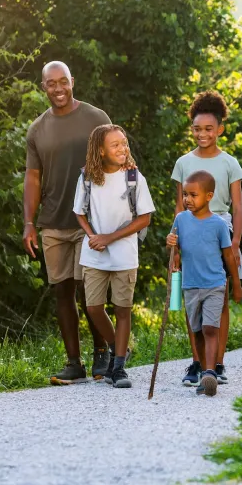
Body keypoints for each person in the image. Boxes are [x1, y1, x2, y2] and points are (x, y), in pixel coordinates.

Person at [23, 61, 128, 385]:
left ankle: (102, 355)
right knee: (62, 291)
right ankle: (73, 363)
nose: (58, 88)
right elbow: (33, 177)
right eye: (51, 83)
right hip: (54, 221)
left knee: (90, 291)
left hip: (91, 223)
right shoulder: (37, 129)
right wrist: (29, 223)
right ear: (43, 86)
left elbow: (116, 163)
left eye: (63, 81)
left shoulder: (96, 118)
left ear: (72, 82)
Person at [171, 92, 242, 387]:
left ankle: (218, 363)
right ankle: (197, 362)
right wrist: (176, 246)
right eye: (197, 128)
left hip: (220, 231)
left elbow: (238, 207)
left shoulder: (229, 163)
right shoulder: (183, 162)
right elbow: (180, 207)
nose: (203, 134)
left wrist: (236, 242)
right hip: (190, 232)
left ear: (220, 130)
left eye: (209, 129)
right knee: (192, 299)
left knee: (219, 297)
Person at [72, 124, 154, 389]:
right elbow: (79, 213)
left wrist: (109, 238)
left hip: (124, 255)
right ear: (100, 150)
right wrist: (93, 235)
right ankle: (118, 347)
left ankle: (118, 367)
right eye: (115, 145)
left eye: (124, 143)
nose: (123, 148)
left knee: (122, 309)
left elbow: (144, 218)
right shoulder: (87, 178)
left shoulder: (133, 178)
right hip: (94, 253)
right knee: (93, 307)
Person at [167, 170, 242, 397]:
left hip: (215, 284)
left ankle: (210, 372)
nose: (187, 199)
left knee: (211, 328)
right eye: (185, 194)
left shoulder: (219, 224)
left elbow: (229, 256)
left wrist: (237, 284)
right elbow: (175, 248)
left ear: (209, 196)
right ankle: (201, 368)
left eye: (193, 195)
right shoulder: (180, 220)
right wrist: (171, 242)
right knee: (197, 330)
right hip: (190, 284)